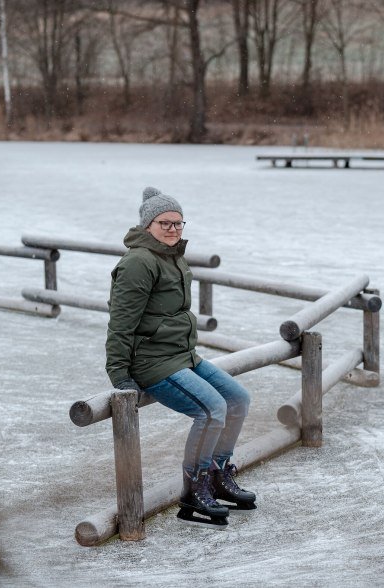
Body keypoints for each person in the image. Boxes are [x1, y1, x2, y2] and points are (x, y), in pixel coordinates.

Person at [105, 186, 256, 528]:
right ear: (148, 225)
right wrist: (119, 374)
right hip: (153, 362)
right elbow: (120, 322)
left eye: (178, 223)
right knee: (211, 409)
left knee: (237, 399)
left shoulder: (172, 256)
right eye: (165, 223)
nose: (173, 229)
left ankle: (217, 475)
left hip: (183, 355)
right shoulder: (138, 263)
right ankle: (194, 488)